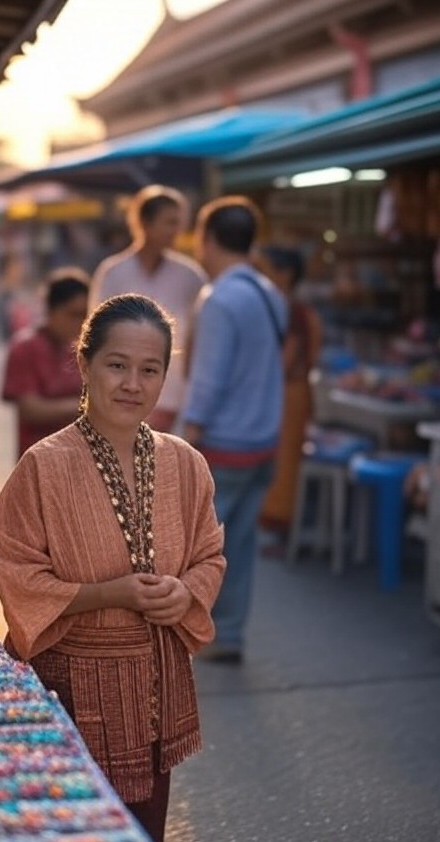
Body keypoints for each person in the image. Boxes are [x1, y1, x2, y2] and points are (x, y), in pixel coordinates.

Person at [0, 294, 225, 842]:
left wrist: (184, 592)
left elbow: (210, 554)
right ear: (86, 363)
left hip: (153, 693)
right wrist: (105, 594)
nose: (132, 384)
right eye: (117, 365)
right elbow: (16, 567)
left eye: (151, 370)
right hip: (68, 693)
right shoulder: (43, 465)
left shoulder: (186, 464)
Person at [183, 197, 287, 664]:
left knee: (198, 549)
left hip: (225, 444)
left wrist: (187, 437)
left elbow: (208, 378)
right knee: (238, 543)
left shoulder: (220, 298)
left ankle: (197, 632)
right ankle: (229, 634)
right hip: (264, 441)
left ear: (207, 238)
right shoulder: (270, 292)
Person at [89, 185, 206, 432]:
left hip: (175, 396)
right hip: (121, 393)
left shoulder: (191, 277)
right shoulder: (113, 272)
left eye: (179, 223)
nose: (177, 231)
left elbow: (201, 342)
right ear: (145, 222)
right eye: (170, 222)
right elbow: (95, 337)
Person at [260, 247, 324, 544]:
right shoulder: (281, 307)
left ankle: (279, 525)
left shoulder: (293, 312)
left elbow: (289, 359)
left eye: (267, 269)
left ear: (285, 274)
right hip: (282, 392)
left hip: (289, 394)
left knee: (284, 461)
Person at [1, 267, 89, 460]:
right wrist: (88, 407)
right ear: (51, 310)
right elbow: (30, 409)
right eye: (74, 314)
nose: (81, 323)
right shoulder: (25, 347)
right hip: (38, 458)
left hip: (80, 458)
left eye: (85, 315)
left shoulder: (84, 351)